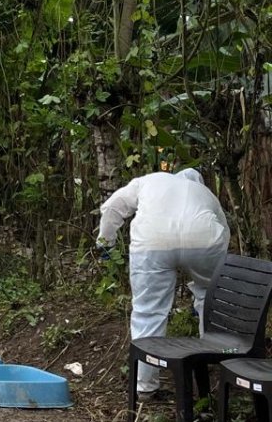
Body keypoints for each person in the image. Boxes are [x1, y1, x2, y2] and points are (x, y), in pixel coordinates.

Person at [97, 167, 229, 399]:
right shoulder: (204, 192)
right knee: (209, 298)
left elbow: (112, 207)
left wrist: (105, 243)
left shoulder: (149, 181)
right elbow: (223, 231)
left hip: (153, 241)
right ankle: (216, 368)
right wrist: (207, 281)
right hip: (203, 240)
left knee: (148, 311)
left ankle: (145, 388)